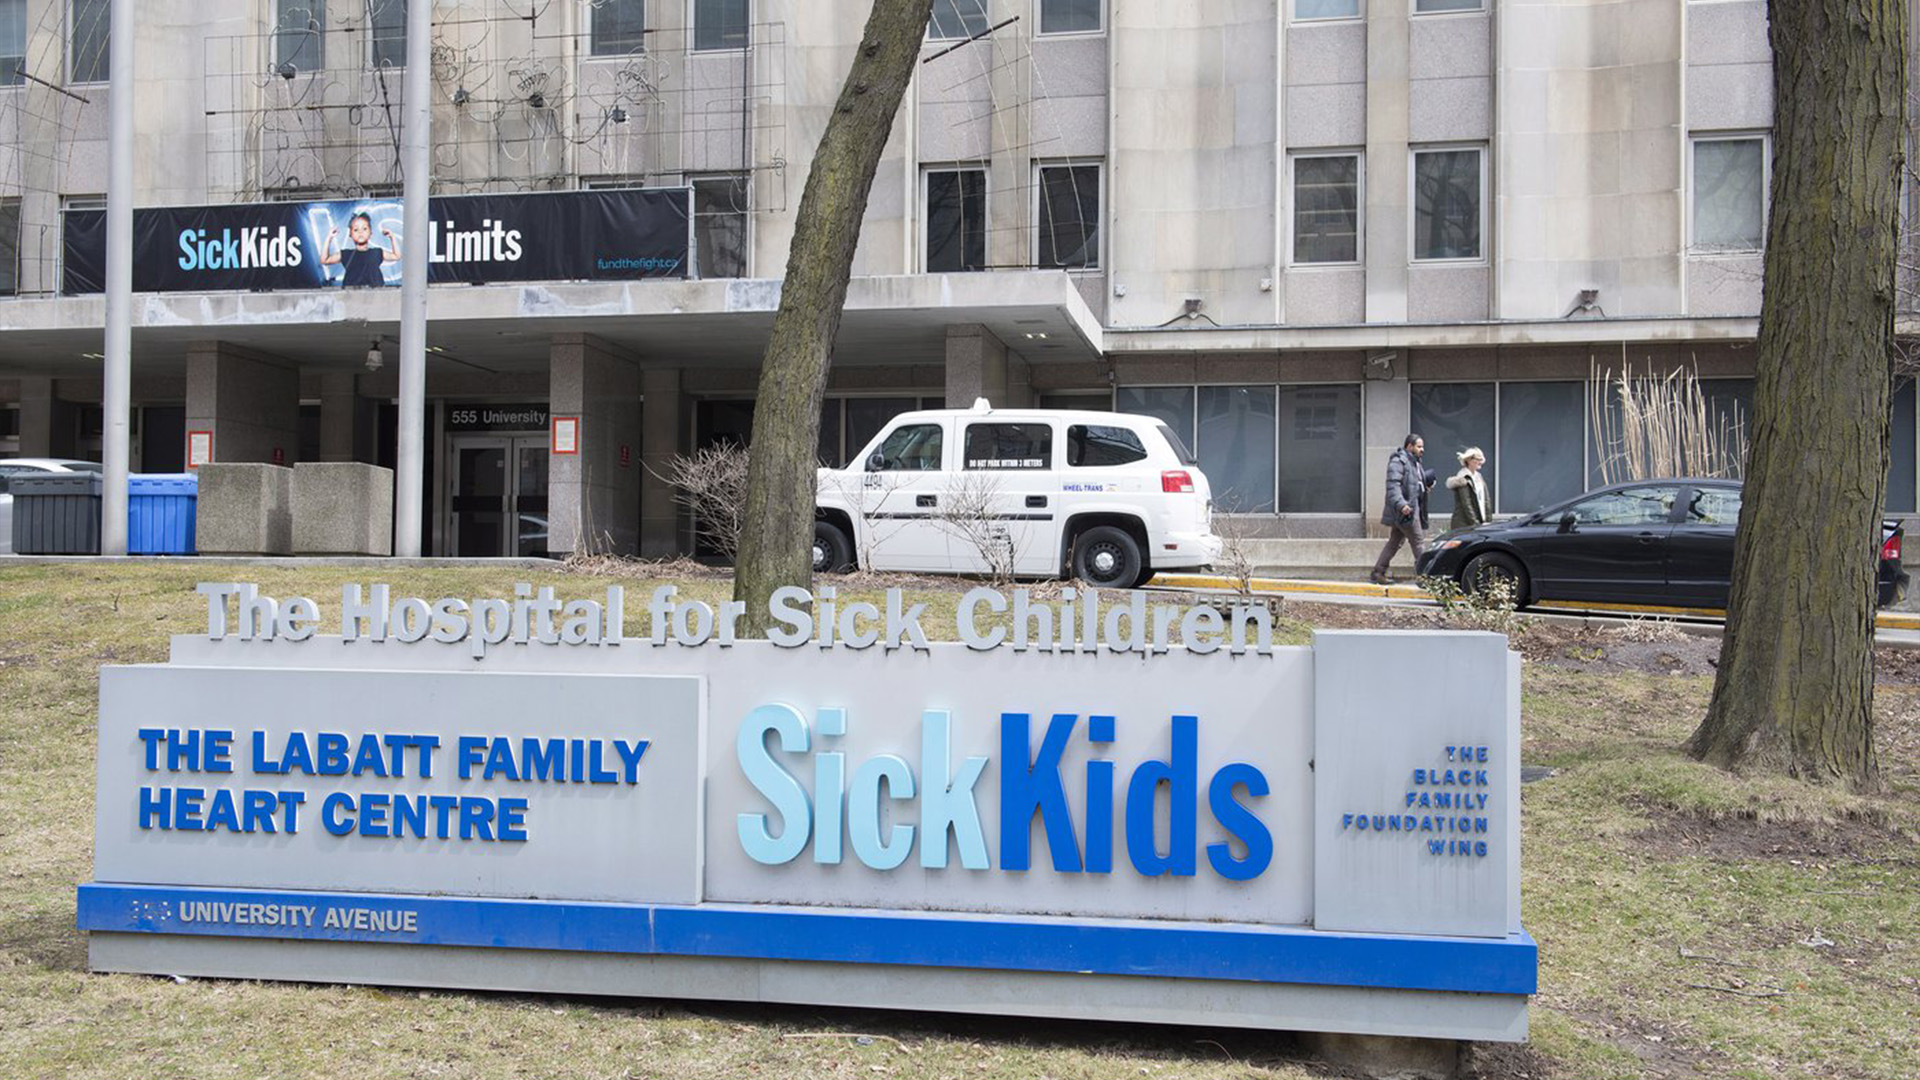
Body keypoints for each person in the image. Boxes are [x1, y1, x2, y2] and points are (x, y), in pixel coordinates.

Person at [1371, 434, 1426, 584]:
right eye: (1419, 446)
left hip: (1409, 508)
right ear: (1410, 446)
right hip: (1405, 510)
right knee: (1418, 541)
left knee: (1395, 541)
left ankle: (1378, 572)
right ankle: (1425, 576)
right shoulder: (1398, 461)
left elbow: (1414, 483)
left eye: (1422, 446)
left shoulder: (1415, 462)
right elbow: (1392, 486)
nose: (1422, 449)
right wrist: (1402, 504)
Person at [321, 211, 401, 287]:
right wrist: (329, 238)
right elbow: (324, 260)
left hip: (376, 293)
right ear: (350, 234)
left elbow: (396, 256)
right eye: (356, 230)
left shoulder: (377, 252)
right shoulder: (346, 254)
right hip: (351, 294)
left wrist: (392, 237)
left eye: (364, 229)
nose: (360, 232)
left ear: (370, 232)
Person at [1447, 447, 1490, 531]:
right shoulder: (1463, 478)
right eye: (1477, 458)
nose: (1480, 461)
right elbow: (1466, 504)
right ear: (1469, 460)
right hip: (1464, 524)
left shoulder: (1479, 477)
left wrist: (1488, 521)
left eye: (1481, 459)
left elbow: (1486, 500)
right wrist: (1475, 523)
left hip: (1480, 522)